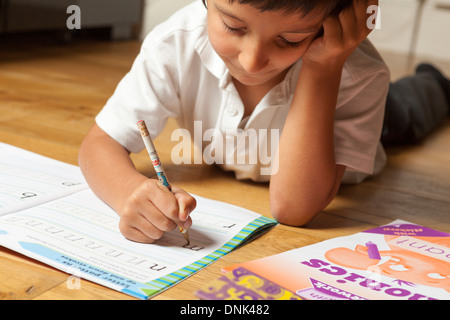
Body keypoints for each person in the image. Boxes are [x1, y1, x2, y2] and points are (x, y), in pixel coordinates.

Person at [78, 0, 450, 243]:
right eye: (233, 27)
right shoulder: (174, 43)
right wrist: (127, 191)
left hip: (370, 134)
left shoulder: (358, 75)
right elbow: (100, 143)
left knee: (408, 108)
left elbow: (292, 208)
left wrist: (324, 66)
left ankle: (437, 83)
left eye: (289, 40)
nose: (252, 61)